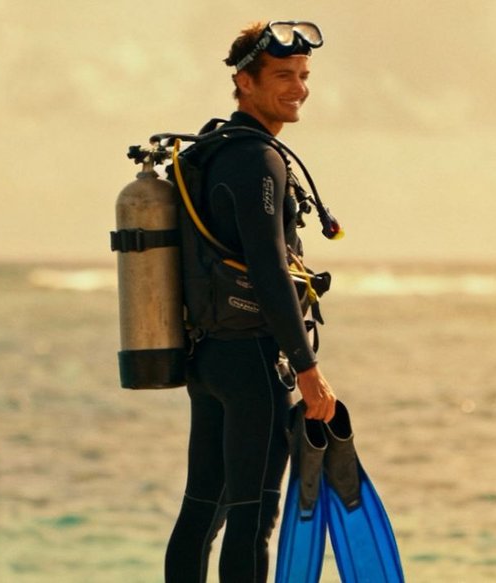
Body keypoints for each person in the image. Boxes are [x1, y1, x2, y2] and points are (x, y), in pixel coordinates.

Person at [163, 20, 339, 583]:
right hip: (256, 365)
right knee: (253, 515)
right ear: (245, 82)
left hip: (210, 357)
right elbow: (268, 269)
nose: (298, 88)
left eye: (304, 76)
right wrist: (308, 370)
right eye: (283, 75)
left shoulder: (214, 151)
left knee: (202, 510)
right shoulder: (257, 159)